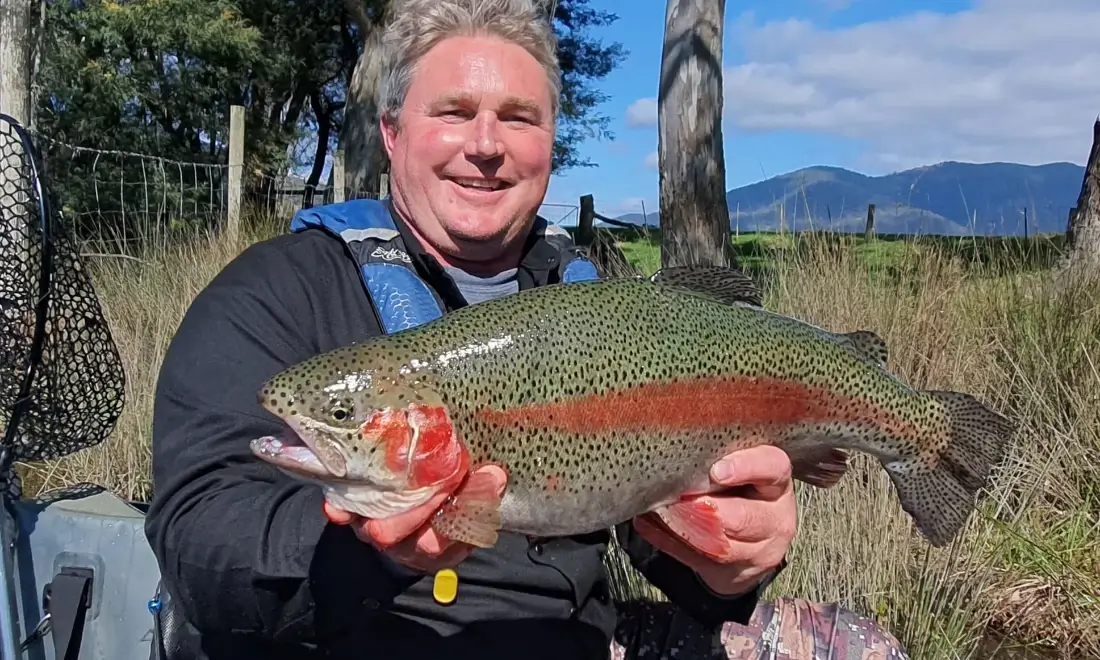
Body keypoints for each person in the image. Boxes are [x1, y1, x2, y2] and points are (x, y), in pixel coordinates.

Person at [144, 0, 907, 658]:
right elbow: (198, 537)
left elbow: (672, 554)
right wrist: (359, 552)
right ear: (391, 132)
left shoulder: (602, 305)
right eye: (453, 113)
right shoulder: (273, 294)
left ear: (549, 144)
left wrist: (738, 561)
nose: (485, 143)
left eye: (518, 117)